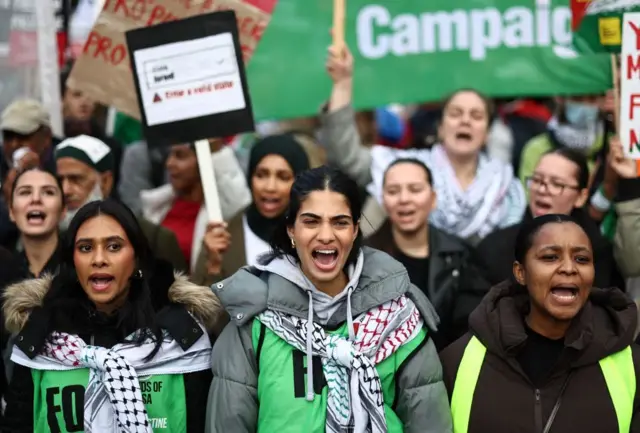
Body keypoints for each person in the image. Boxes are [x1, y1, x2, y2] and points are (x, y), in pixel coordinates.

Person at [206, 166, 452, 433]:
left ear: (355, 230)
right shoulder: (254, 319)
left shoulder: (399, 316)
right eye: (311, 221)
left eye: (340, 222)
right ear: (291, 229)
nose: (326, 235)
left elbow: (430, 422)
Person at [2, 199, 225, 432]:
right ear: (72, 261)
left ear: (136, 257)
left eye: (114, 247)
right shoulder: (40, 335)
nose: (99, 259)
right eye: (86, 248)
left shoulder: (182, 336)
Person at [439, 214, 640, 433]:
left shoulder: (631, 365)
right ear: (520, 272)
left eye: (581, 259)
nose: (568, 268)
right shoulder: (457, 361)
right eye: (550, 257)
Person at [320, 44, 525, 244]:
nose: (465, 121)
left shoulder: (506, 189)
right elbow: (347, 156)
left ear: (487, 133)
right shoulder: (401, 168)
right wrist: (342, 84)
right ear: (441, 129)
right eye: (455, 113)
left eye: (476, 115)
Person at [366, 158, 489, 349]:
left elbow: (473, 328)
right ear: (383, 200)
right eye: (393, 191)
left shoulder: (460, 256)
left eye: (415, 189)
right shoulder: (363, 258)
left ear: (433, 199)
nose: (404, 199)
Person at [476, 148, 624, 289]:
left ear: (581, 197)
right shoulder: (495, 248)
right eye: (537, 180)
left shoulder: (597, 254)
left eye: (556, 184)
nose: (542, 190)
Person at [192, 133, 310, 286]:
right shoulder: (224, 237)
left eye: (283, 177)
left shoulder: (316, 232)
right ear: (250, 178)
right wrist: (213, 267)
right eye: (261, 175)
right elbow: (200, 303)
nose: (270, 187)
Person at [55, 134, 187, 271]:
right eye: (60, 181)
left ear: (105, 182)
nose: (65, 190)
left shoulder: (152, 239)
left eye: (76, 179)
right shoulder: (49, 240)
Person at [140, 140, 250, 273]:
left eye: (180, 156)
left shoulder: (219, 213)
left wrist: (215, 150)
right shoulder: (157, 206)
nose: (169, 163)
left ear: (203, 161)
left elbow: (239, 201)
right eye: (170, 155)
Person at [519, 94, 606, 184]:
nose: (585, 105)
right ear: (560, 98)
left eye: (592, 99)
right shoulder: (536, 148)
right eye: (577, 98)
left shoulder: (610, 146)